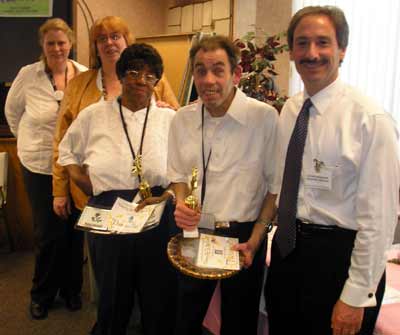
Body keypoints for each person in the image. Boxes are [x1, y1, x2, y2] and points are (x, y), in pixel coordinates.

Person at [264, 6, 400, 335]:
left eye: (323, 42)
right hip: (288, 253)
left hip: (339, 262)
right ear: (292, 51)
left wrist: (355, 297)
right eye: (302, 43)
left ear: (342, 50)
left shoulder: (370, 120)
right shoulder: (291, 110)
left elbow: (379, 220)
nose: (312, 53)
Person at [58, 43, 177, 335]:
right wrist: (90, 188)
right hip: (109, 212)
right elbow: (67, 154)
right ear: (121, 75)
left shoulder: (171, 119)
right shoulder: (93, 115)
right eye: (134, 72)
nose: (140, 80)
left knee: (157, 293)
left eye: (150, 75)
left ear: (157, 82)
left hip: (157, 210)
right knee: (112, 292)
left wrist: (171, 194)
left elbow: (186, 169)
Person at [167, 35, 279, 335]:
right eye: (200, 70)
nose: (208, 80)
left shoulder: (264, 119)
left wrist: (256, 240)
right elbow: (178, 177)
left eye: (218, 69)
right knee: (185, 319)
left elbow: (273, 189)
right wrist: (181, 202)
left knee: (239, 323)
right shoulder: (181, 119)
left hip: (243, 236)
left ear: (236, 74)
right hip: (195, 232)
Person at [52, 15, 179, 221]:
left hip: (155, 203)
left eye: (115, 36)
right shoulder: (87, 102)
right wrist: (83, 184)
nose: (140, 81)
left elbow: (183, 155)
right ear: (122, 76)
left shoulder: (167, 113)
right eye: (102, 39)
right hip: (104, 202)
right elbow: (64, 147)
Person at [5, 18, 87, 320]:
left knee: (74, 231)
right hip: (38, 164)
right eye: (50, 43)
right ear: (42, 45)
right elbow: (12, 114)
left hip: (74, 166)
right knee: (49, 233)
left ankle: (72, 290)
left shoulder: (83, 75)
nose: (56, 48)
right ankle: (41, 294)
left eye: (61, 42)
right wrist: (31, 141)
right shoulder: (28, 75)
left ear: (71, 44)